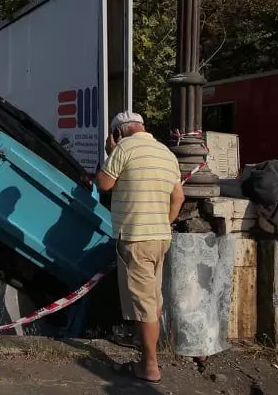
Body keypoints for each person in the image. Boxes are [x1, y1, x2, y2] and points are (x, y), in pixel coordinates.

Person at [95, 111, 185, 384]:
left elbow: (104, 183)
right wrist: (162, 223)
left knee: (144, 304)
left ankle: (149, 366)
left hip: (135, 239)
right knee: (153, 299)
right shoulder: (166, 154)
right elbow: (178, 197)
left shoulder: (123, 148)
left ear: (118, 132)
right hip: (160, 238)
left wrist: (111, 151)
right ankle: (145, 349)